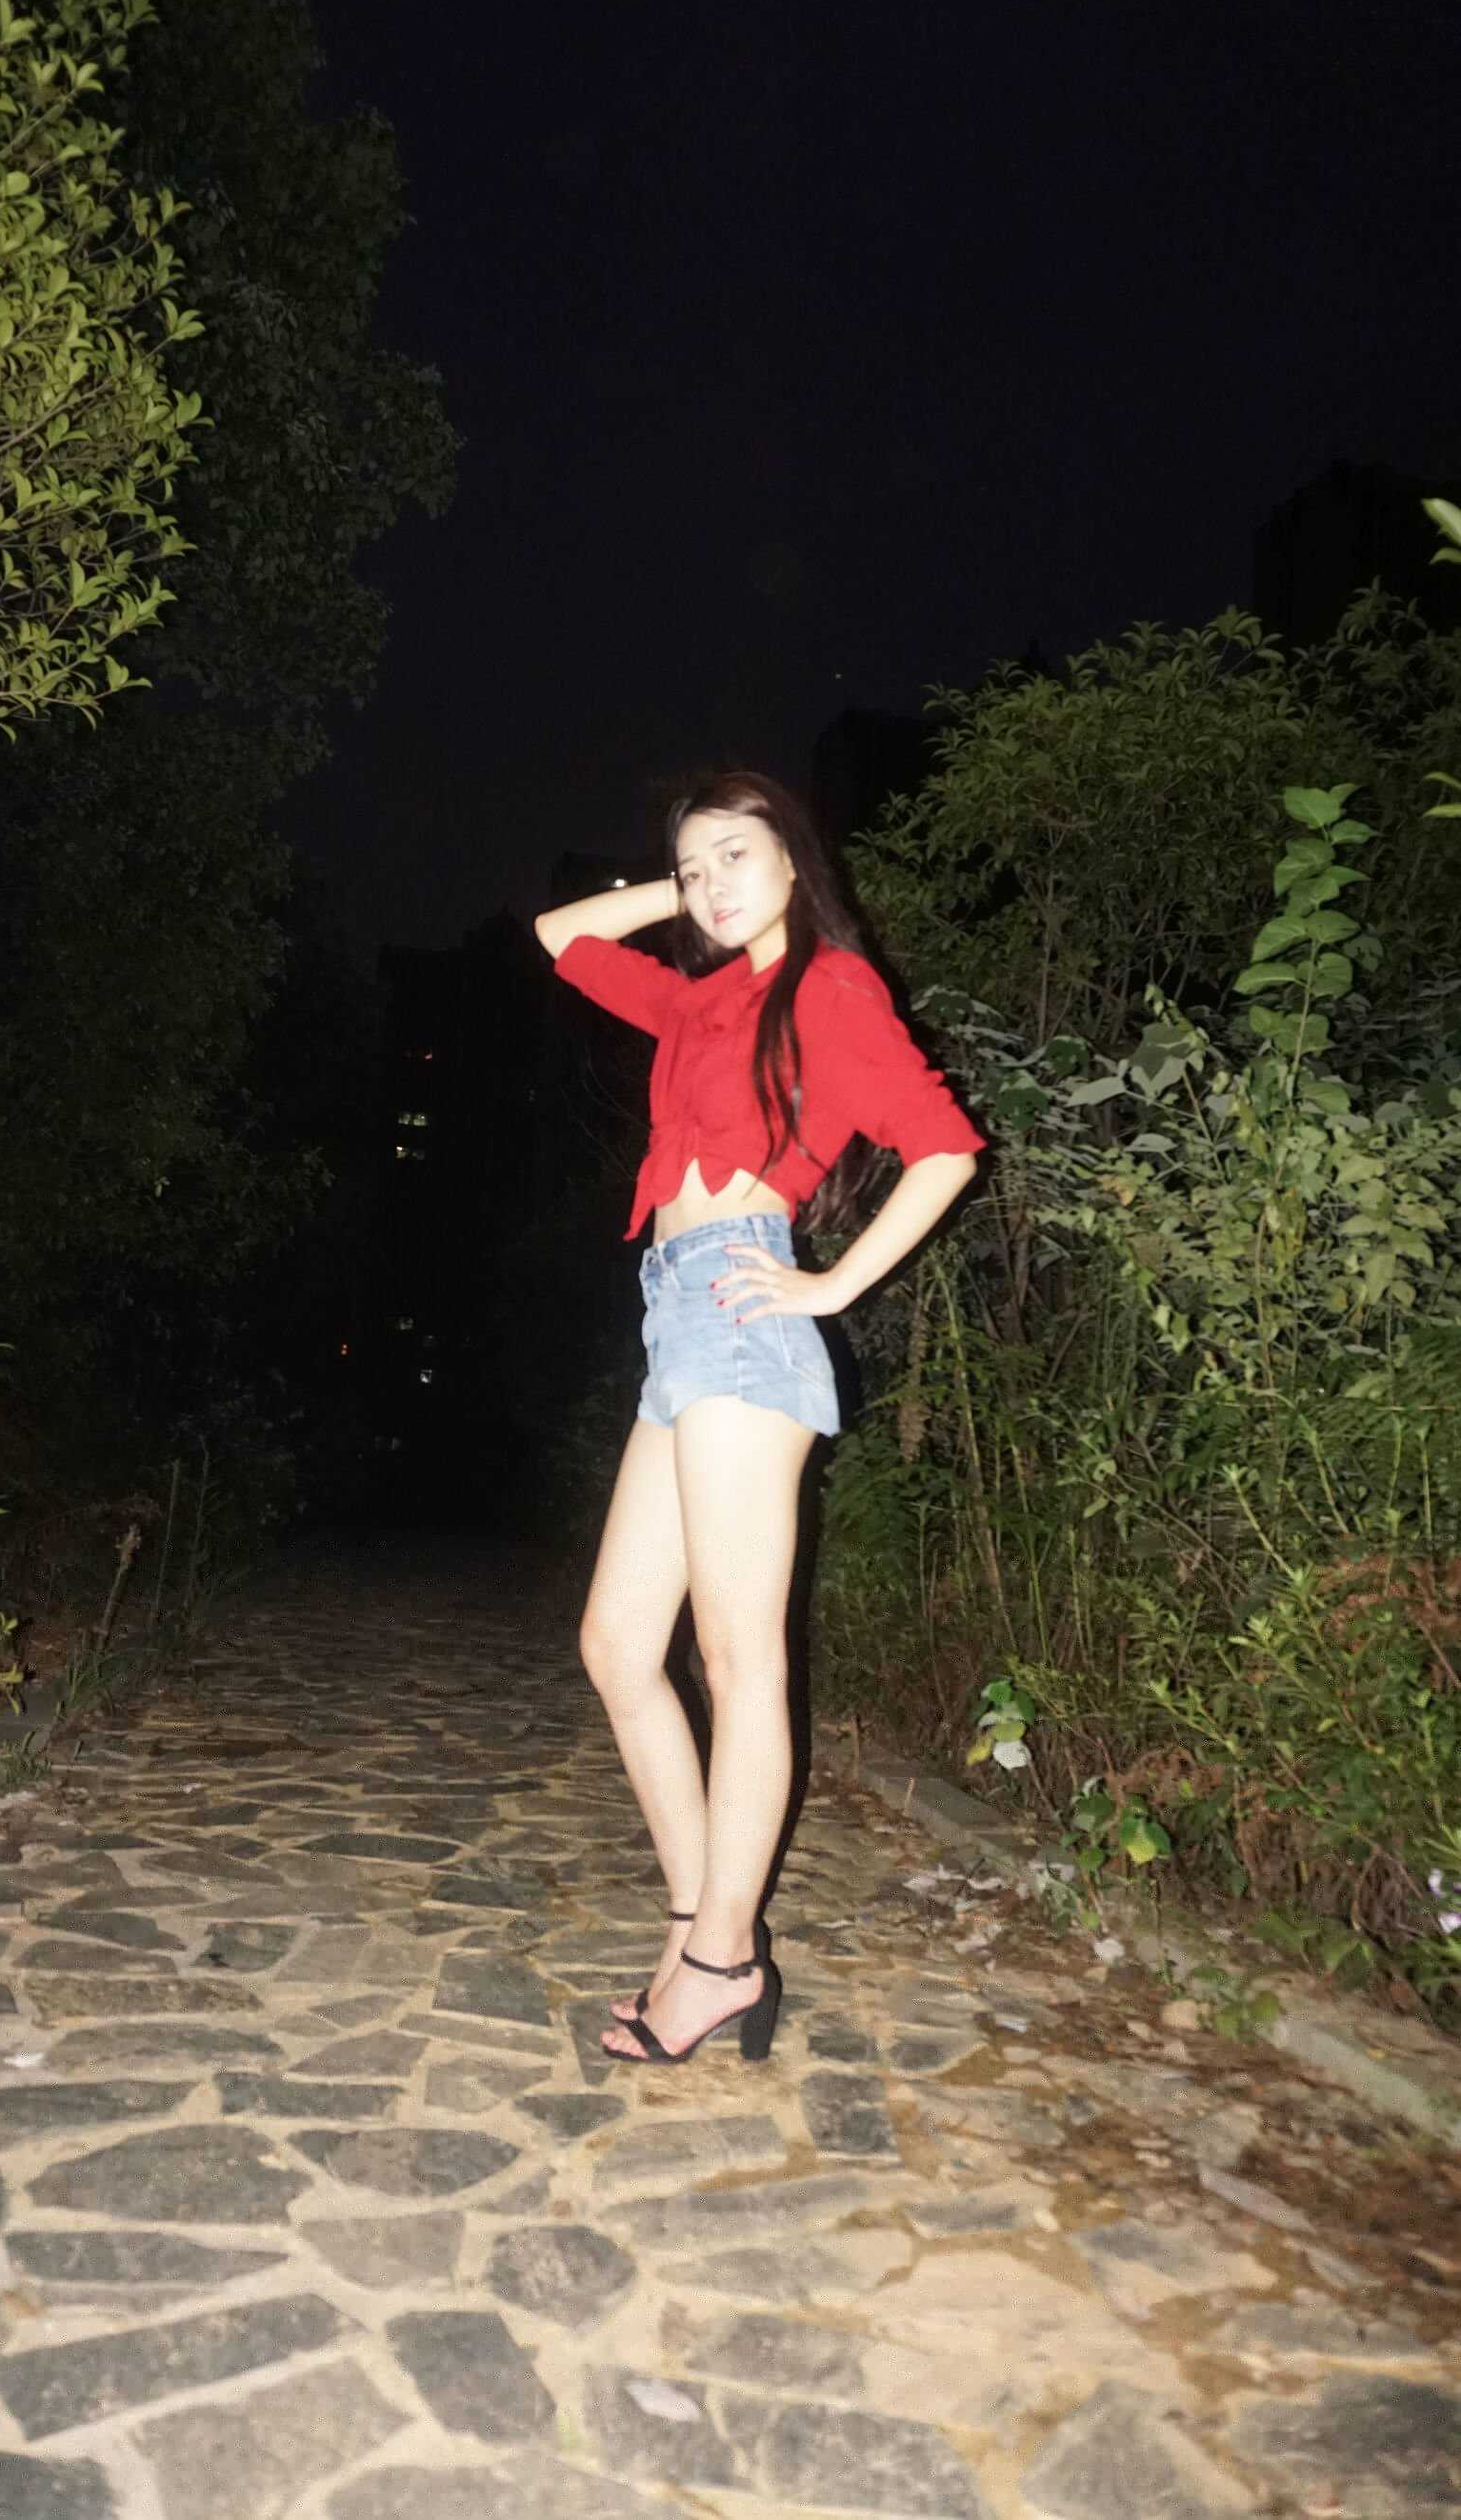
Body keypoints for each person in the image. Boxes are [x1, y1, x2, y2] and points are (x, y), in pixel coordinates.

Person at [533, 770, 985, 2066]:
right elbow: (563, 938)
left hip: (742, 1310)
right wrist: (676, 893)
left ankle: (723, 1960)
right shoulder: (692, 1000)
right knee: (619, 1645)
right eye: (694, 867)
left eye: (738, 853)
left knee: (738, 1661)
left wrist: (834, 1285)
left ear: (797, 857)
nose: (712, 884)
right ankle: (702, 1924)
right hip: (672, 1319)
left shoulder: (830, 990)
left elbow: (945, 1146)